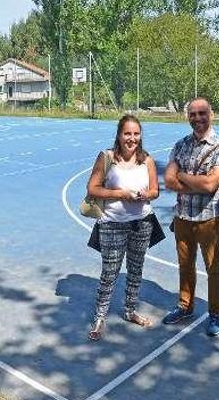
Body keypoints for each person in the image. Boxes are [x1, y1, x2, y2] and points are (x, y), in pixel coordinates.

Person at [86, 114, 160, 341]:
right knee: (110, 273)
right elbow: (93, 189)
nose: (132, 138)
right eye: (127, 133)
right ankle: (100, 317)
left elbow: (155, 191)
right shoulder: (107, 157)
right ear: (119, 135)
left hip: (142, 223)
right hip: (112, 224)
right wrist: (121, 194)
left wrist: (145, 195)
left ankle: (130, 310)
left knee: (136, 270)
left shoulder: (146, 160)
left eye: (136, 134)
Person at [163, 98, 219, 336]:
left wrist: (183, 176)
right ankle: (185, 305)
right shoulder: (181, 144)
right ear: (188, 117)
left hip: (209, 218)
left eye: (202, 113)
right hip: (183, 216)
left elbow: (211, 184)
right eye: (193, 114)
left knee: (213, 268)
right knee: (185, 265)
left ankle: (215, 313)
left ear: (210, 114)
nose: (197, 118)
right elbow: (169, 181)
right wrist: (196, 182)